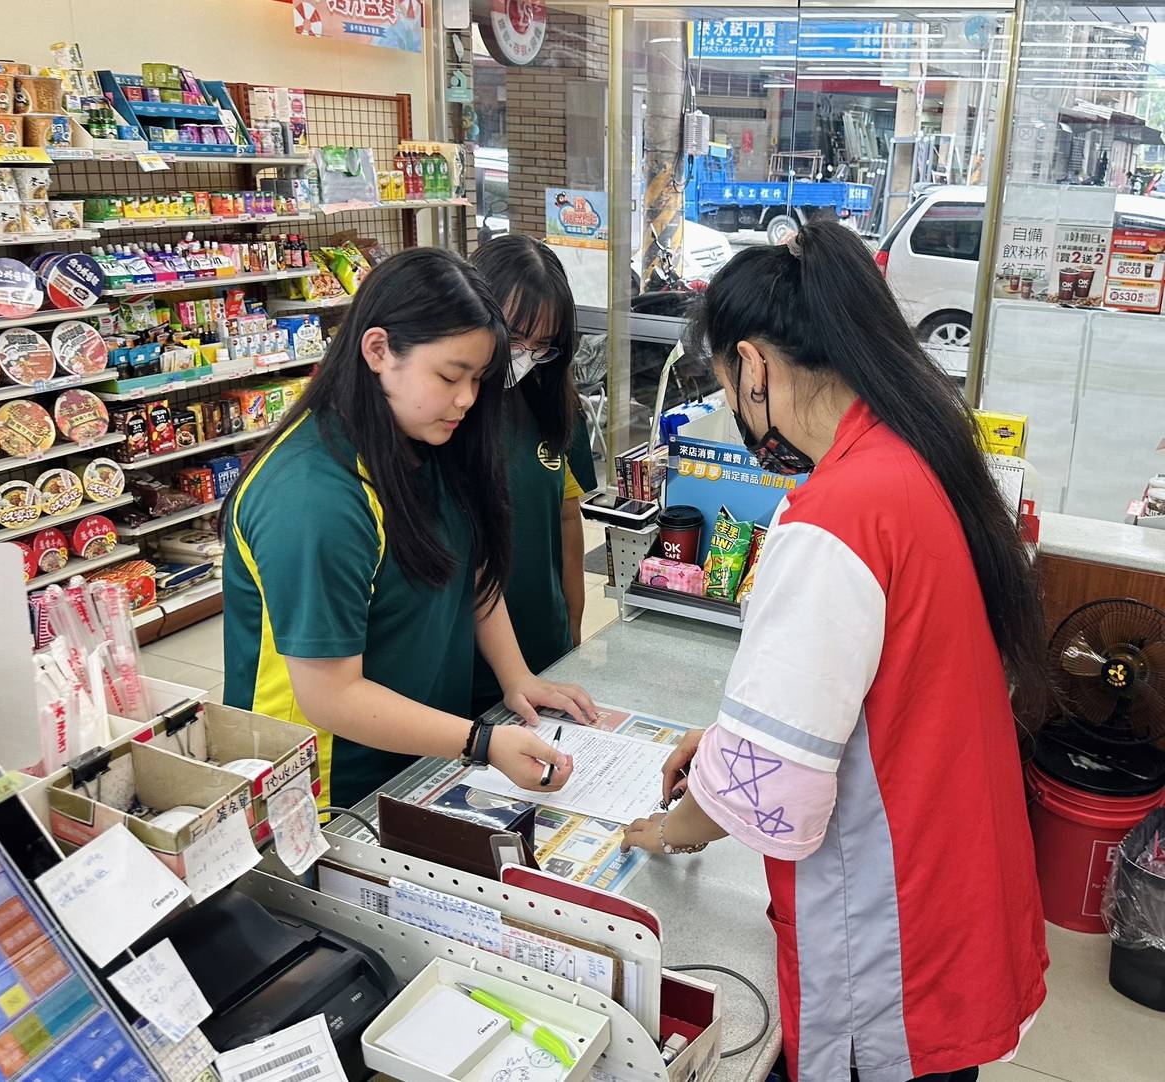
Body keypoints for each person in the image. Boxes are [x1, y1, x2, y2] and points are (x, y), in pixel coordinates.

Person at [622, 222, 1049, 1082]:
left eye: (723, 387)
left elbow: (770, 783)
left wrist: (665, 832)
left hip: (889, 930)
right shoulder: (912, 461)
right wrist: (728, 745)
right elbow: (884, 688)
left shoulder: (835, 519)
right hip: (954, 891)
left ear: (753, 366)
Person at [221, 248, 596, 810]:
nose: (468, 399)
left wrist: (517, 677)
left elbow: (471, 569)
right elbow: (330, 695)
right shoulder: (314, 496)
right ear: (378, 350)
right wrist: (479, 742)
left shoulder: (429, 439)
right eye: (451, 376)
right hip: (326, 791)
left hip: (420, 762)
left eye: (478, 378)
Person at [468, 236, 594, 717]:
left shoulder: (552, 403)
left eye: (542, 347)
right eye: (514, 339)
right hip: (468, 664)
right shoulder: (447, 415)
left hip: (544, 646)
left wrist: (573, 628)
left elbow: (566, 518)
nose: (523, 359)